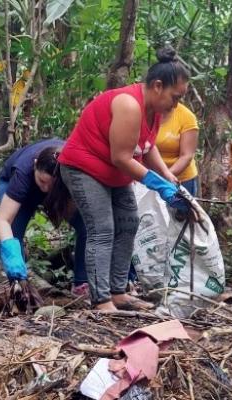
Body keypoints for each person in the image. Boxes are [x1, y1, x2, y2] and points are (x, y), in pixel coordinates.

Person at [58, 46, 190, 311]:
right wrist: (156, 184)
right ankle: (101, 299)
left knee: (129, 223)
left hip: (113, 172)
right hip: (85, 167)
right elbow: (121, 157)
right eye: (175, 98)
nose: (176, 105)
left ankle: (118, 291)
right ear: (157, 86)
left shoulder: (154, 112)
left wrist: (166, 174)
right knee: (102, 229)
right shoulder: (130, 105)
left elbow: (147, 146)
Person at [0, 139, 88, 295]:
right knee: (13, 232)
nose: (45, 189)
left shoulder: (73, 171)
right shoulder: (23, 171)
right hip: (16, 183)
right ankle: (15, 281)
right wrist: (13, 258)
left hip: (59, 190)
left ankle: (81, 282)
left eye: (49, 185)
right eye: (43, 181)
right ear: (35, 164)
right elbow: (3, 220)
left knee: (85, 225)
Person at [155, 103, 199, 195]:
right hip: (148, 177)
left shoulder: (186, 116)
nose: (174, 102)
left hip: (181, 180)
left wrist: (165, 176)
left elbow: (186, 156)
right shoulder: (143, 112)